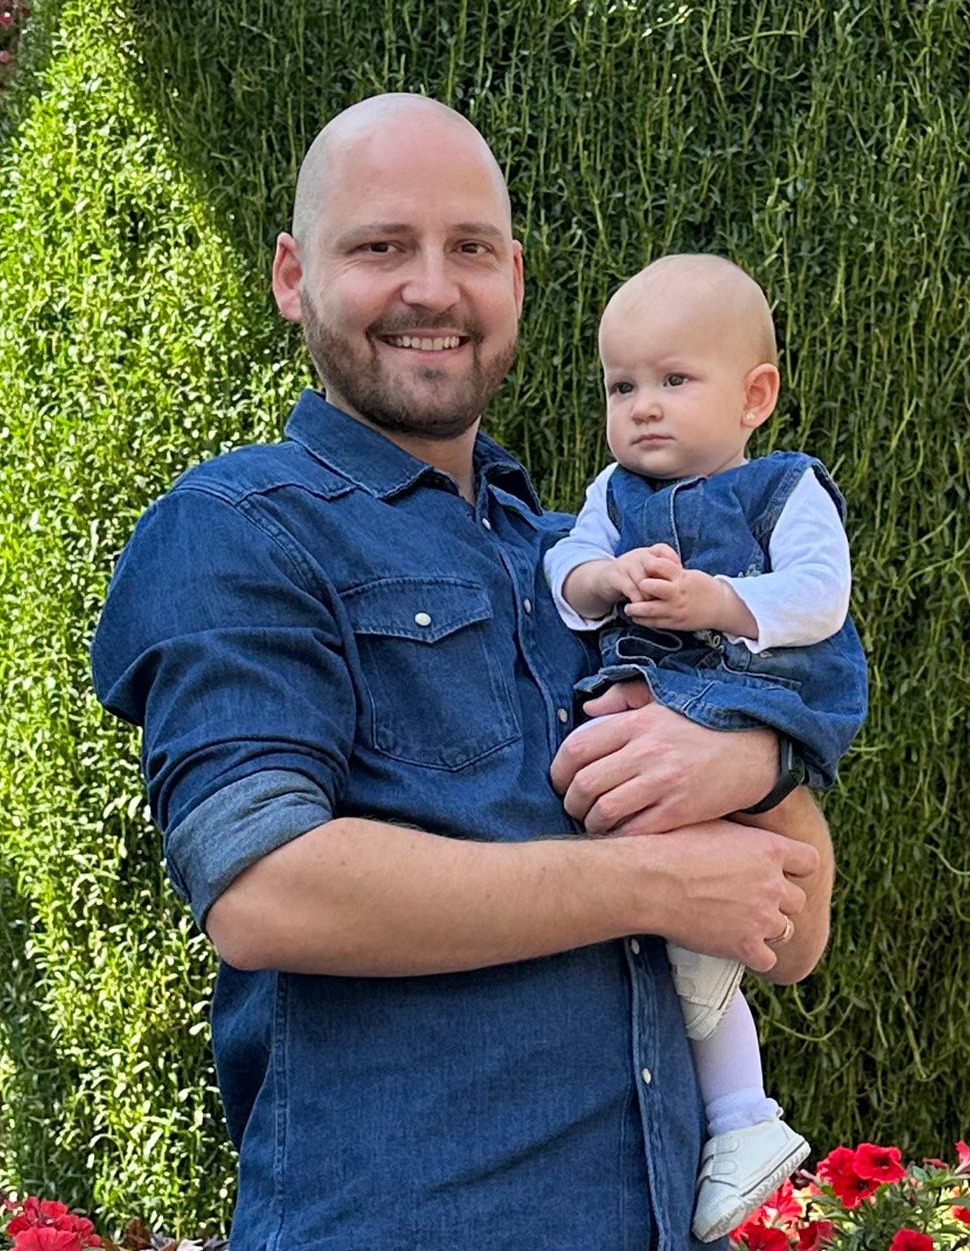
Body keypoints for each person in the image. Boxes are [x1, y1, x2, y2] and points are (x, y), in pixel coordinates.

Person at [89, 93, 838, 1251]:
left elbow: (791, 933)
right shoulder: (236, 528)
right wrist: (652, 887)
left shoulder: (581, 563)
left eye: (470, 250)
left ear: (516, 282)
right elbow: (265, 889)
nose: (432, 289)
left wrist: (744, 754)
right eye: (381, 246)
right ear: (294, 277)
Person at [546, 253, 868, 1241]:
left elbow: (820, 594)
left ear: (754, 396)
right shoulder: (612, 493)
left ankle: (739, 1114)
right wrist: (600, 583)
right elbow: (563, 563)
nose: (643, 408)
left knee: (693, 939)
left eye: (673, 382)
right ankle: (738, 1121)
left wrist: (721, 601)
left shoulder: (782, 488)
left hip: (759, 700)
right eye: (621, 387)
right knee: (650, 862)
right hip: (654, 708)